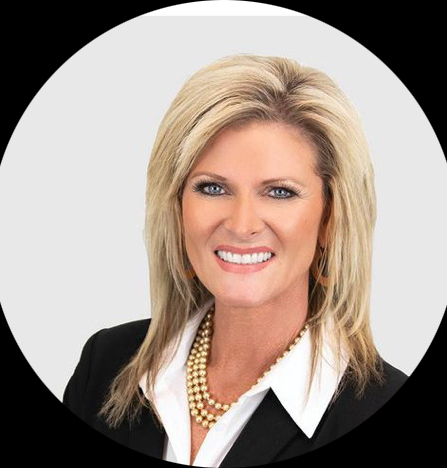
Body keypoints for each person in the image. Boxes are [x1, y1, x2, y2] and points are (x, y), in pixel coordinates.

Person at [63, 54, 408, 466]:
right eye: (212, 188)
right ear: (176, 207)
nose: (242, 225)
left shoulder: (377, 405)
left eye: (280, 192)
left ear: (330, 219)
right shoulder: (106, 364)